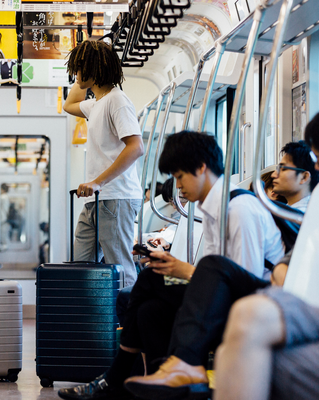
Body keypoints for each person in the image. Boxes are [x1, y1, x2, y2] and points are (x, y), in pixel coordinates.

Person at [58, 131, 284, 400]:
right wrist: (175, 267)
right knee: (150, 311)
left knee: (150, 281)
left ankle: (117, 379)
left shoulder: (239, 210)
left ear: (201, 167)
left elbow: (239, 278)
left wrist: (183, 270)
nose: (177, 187)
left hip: (258, 302)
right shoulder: (212, 210)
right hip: (226, 294)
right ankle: (160, 386)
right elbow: (214, 277)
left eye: (179, 177)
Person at [211, 113, 319, 400]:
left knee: (246, 315)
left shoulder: (299, 210)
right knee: (230, 350)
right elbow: (300, 251)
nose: (318, 164)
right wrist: (285, 267)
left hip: (309, 300)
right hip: (301, 293)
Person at [62, 40, 144, 287]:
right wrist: (80, 76)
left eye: (78, 68)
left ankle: (129, 324)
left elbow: (136, 147)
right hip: (95, 200)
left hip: (116, 197)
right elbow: (68, 105)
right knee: (80, 267)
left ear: (94, 69)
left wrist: (98, 182)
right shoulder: (96, 103)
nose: (75, 74)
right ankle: (90, 324)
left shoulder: (117, 101)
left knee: (120, 270)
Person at [270, 140, 317, 210]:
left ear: (304, 177)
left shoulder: (303, 216)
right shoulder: (288, 211)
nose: (273, 175)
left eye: (283, 169)